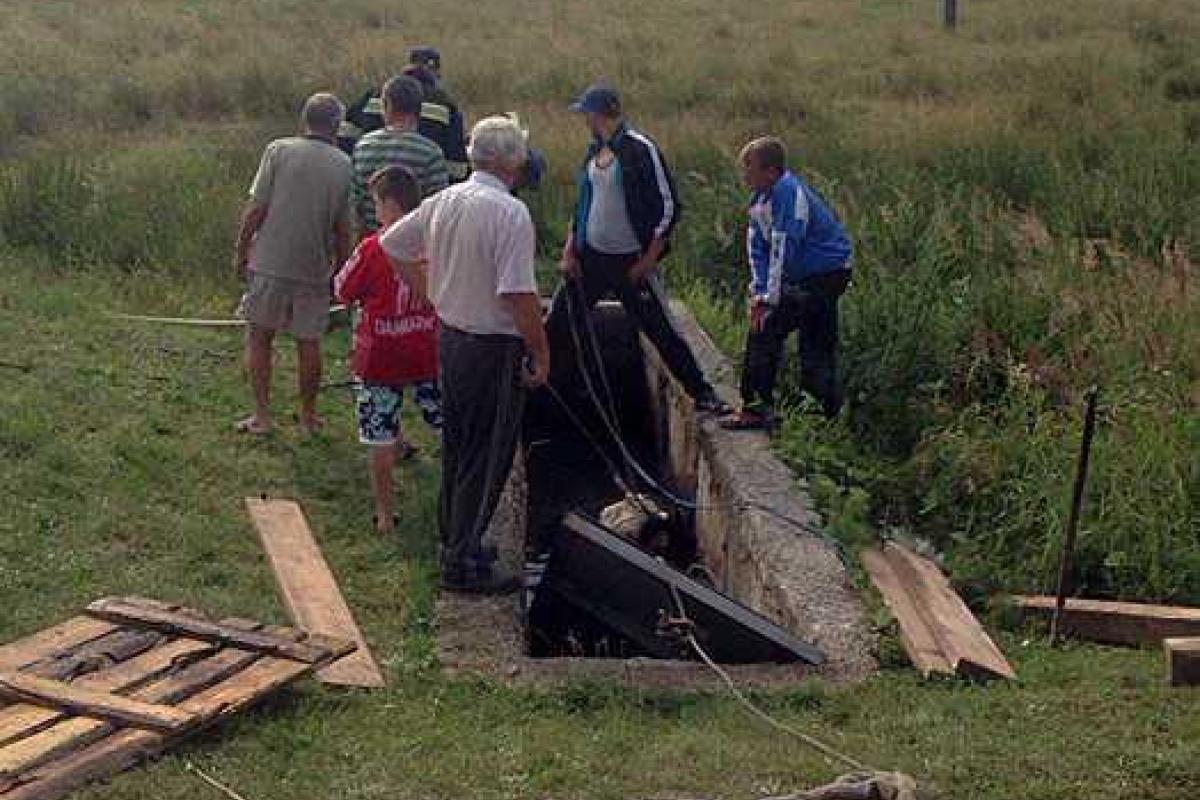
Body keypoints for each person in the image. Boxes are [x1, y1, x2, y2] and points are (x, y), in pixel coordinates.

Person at [381, 116, 549, 594]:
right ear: (511, 161)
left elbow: (393, 242)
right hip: (492, 346)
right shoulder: (509, 213)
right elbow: (518, 293)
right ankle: (462, 560)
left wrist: (431, 290)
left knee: (458, 442)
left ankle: (455, 537)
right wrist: (540, 349)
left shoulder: (446, 199)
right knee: (488, 451)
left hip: (452, 337)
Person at [547, 83, 729, 414]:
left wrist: (649, 258)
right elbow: (583, 206)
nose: (584, 121)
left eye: (587, 114)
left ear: (600, 114)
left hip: (630, 261)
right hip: (590, 257)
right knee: (559, 322)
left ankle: (702, 392)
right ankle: (546, 387)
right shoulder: (593, 151)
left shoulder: (640, 148)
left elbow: (670, 205)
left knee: (659, 328)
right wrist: (569, 251)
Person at [233, 93, 353, 435]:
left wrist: (241, 250)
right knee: (309, 342)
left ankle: (262, 415)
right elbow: (344, 230)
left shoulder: (278, 150)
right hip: (313, 267)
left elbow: (256, 208)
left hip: (270, 260)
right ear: (336, 127)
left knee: (259, 337)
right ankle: (309, 416)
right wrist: (342, 274)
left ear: (305, 120)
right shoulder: (343, 164)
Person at [334, 165, 443, 536]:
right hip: (428, 350)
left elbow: (343, 289)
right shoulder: (435, 243)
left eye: (377, 203)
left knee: (379, 434)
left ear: (391, 204)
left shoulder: (372, 247)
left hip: (379, 354)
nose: (375, 211)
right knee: (446, 424)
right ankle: (454, 499)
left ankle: (384, 514)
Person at [719, 136, 853, 429]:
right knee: (789, 334)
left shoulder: (788, 194)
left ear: (771, 171)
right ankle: (813, 415)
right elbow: (758, 250)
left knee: (785, 335)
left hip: (826, 275)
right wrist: (760, 293)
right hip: (801, 276)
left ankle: (775, 412)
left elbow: (782, 247)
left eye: (749, 169)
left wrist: (770, 300)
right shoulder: (760, 200)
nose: (745, 175)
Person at [350, 75, 448, 234]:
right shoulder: (430, 153)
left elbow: (355, 206)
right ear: (419, 109)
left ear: (386, 105)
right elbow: (437, 212)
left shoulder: (363, 147)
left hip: (372, 243)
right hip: (413, 248)